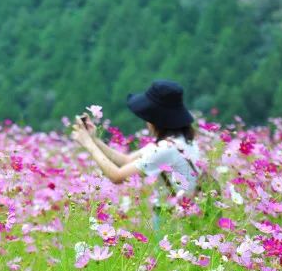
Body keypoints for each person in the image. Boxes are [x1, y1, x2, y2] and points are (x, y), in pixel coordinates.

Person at [71, 80, 202, 221]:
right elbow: (125, 160)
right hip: (184, 214)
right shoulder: (183, 142)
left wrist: (88, 144)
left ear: (156, 119)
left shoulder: (166, 149)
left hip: (174, 220)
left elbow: (117, 176)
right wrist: (94, 139)